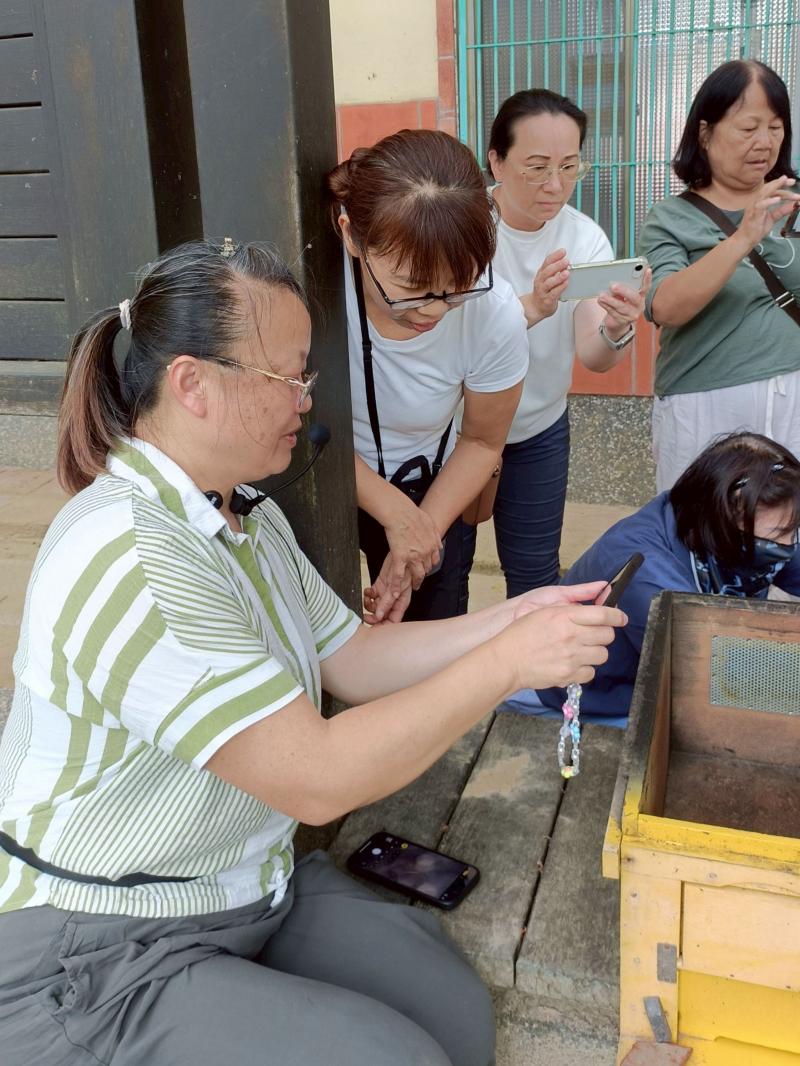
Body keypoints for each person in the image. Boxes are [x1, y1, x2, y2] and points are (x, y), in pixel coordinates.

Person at [0, 239, 626, 1066]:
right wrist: (509, 664)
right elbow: (317, 778)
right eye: (288, 376)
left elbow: (354, 657)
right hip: (102, 939)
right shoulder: (134, 555)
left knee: (453, 1009)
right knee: (394, 1058)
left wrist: (517, 618)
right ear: (192, 384)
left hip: (243, 883)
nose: (306, 398)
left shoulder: (243, 516)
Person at [327, 129, 530, 623]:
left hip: (433, 489)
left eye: (458, 287)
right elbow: (290, 427)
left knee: (432, 629)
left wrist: (419, 532)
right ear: (352, 236)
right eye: (412, 289)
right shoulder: (313, 293)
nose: (435, 310)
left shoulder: (494, 312)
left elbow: (481, 441)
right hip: (325, 478)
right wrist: (391, 511)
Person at [503, 432, 800, 726]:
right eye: (779, 536)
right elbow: (726, 676)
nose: (789, 544)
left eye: (793, 530)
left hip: (654, 680)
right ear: (722, 521)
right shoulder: (650, 578)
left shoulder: (727, 526)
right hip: (575, 698)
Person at [483, 89, 651, 593]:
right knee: (442, 578)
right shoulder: (463, 227)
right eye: (537, 167)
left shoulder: (583, 237)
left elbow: (592, 356)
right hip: (455, 429)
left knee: (536, 579)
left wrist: (616, 328)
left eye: (570, 167)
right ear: (497, 161)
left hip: (538, 431)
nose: (555, 185)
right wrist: (531, 305)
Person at [639, 59, 800, 492]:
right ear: (706, 134)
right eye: (748, 128)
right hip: (704, 411)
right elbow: (665, 306)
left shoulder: (795, 202)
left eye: (776, 127)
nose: (764, 142)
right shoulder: (671, 218)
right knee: (700, 526)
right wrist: (743, 237)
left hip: (795, 402)